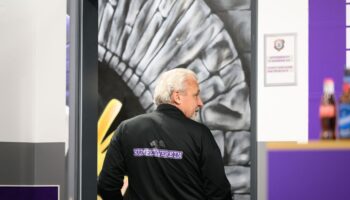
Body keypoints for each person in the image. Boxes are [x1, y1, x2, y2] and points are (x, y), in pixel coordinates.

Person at [97, 68, 231, 200]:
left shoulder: (126, 129)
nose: (200, 103)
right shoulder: (200, 135)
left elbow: (107, 185)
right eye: (196, 95)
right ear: (177, 97)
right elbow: (219, 193)